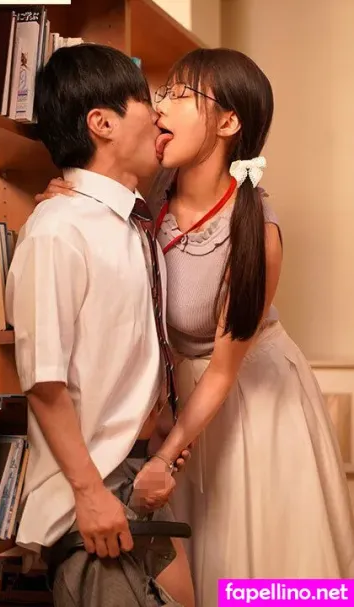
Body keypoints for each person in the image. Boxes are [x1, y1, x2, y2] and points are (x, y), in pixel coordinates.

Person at [37, 47, 354, 607]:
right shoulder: (148, 187)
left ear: (228, 123)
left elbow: (224, 372)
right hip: (177, 401)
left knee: (256, 564)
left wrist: (164, 458)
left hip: (249, 400)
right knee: (189, 565)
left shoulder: (257, 231)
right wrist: (69, 195)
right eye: (163, 93)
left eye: (182, 95)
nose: (161, 107)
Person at [5, 43, 195, 607]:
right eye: (146, 103)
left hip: (139, 473)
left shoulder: (133, 222)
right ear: (102, 123)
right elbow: (43, 381)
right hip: (89, 488)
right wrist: (89, 494)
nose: (158, 116)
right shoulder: (58, 229)